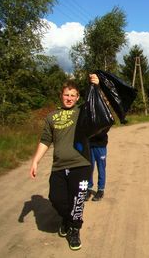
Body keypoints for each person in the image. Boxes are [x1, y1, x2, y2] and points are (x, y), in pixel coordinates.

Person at [29, 74, 99, 251]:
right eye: (66, 95)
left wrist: (96, 86)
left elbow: (96, 105)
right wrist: (35, 161)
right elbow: (45, 140)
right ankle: (67, 220)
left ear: (77, 98)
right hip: (59, 166)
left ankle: (74, 229)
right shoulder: (52, 117)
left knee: (77, 201)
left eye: (73, 95)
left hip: (81, 165)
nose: (69, 98)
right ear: (61, 95)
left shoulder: (82, 112)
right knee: (56, 198)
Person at [85, 127, 109, 202]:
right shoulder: (88, 115)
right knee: (88, 168)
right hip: (89, 145)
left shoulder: (104, 115)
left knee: (101, 168)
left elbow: (107, 126)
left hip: (100, 145)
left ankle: (100, 190)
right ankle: (88, 189)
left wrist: (93, 132)